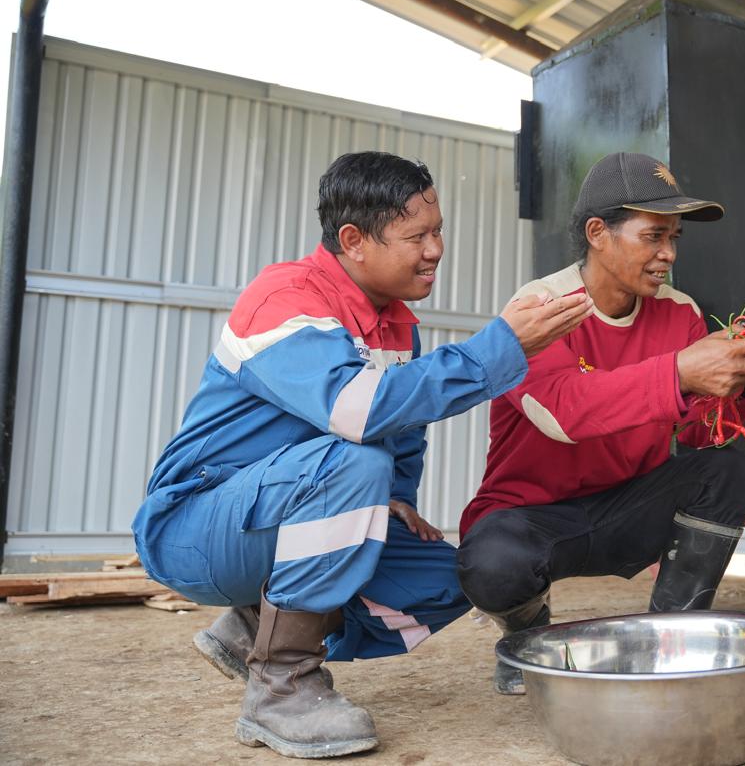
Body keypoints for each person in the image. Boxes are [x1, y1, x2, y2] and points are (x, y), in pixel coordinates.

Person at [131, 151, 592, 759]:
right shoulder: (285, 297)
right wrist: (497, 348)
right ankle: (282, 685)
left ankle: (249, 630)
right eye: (417, 236)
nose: (435, 249)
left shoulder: (399, 323)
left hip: (278, 512)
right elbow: (361, 413)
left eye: (439, 230)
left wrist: (396, 496)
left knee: (455, 577)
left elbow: (405, 431)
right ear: (353, 240)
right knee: (355, 463)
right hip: (195, 527)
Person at [456, 151, 745, 695]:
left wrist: (743, 382)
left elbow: (700, 433)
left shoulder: (680, 313)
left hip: (626, 508)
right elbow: (563, 412)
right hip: (534, 519)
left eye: (675, 238)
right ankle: (525, 629)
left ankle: (670, 640)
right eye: (653, 236)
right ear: (597, 233)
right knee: (492, 565)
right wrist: (680, 371)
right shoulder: (538, 306)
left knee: (726, 471)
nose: (668, 255)